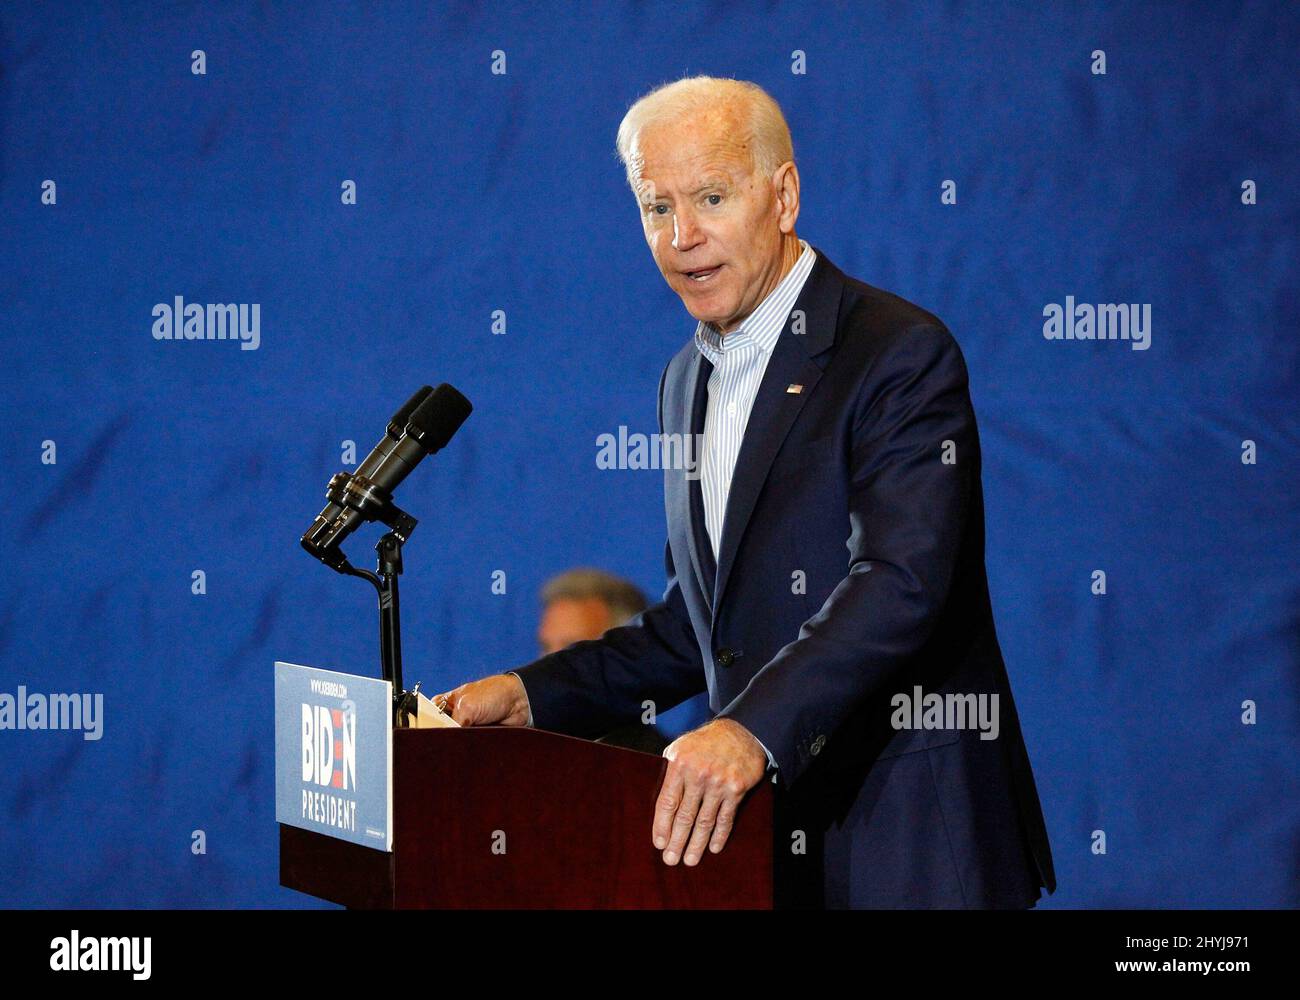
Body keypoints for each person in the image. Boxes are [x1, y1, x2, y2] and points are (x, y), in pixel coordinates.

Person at [437, 75, 1056, 908]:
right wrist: (531, 694)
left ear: (784, 194)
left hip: (907, 842)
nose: (683, 236)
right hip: (764, 850)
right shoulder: (684, 378)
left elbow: (903, 583)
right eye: (658, 209)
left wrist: (752, 730)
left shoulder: (896, 353)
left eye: (712, 197)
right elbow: (692, 629)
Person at [535, 568, 670, 754]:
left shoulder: (662, 768)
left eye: (570, 649)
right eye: (546, 646)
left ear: (625, 656)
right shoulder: (518, 757)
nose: (546, 666)